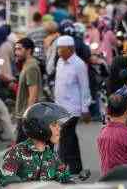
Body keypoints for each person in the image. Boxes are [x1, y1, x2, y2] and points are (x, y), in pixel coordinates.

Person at [0, 102, 71, 187]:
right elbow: (6, 184)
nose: (59, 128)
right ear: (40, 126)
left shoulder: (52, 155)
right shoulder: (16, 153)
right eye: (54, 124)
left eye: (58, 124)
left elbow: (65, 179)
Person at [54, 35, 92, 175]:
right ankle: (76, 166)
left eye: (61, 49)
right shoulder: (59, 62)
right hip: (60, 107)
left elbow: (84, 87)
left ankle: (61, 166)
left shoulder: (79, 64)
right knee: (70, 137)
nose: (58, 52)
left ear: (70, 49)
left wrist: (85, 108)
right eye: (58, 49)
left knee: (64, 136)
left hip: (73, 108)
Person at [14, 38, 43, 143]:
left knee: (22, 150)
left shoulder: (31, 67)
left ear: (29, 50)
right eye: (15, 49)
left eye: (19, 49)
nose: (16, 52)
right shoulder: (25, 64)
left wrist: (27, 116)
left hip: (27, 115)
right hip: (23, 114)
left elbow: (33, 94)